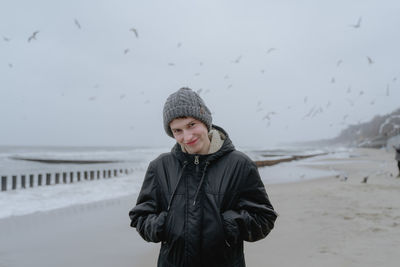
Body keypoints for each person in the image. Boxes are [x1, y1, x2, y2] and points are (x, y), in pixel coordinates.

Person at [129, 87, 277, 267]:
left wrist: (226, 225)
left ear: (205, 122)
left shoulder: (240, 164)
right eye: (177, 131)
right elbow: (140, 217)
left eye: (192, 125)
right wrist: (165, 224)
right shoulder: (160, 167)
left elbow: (264, 218)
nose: (187, 136)